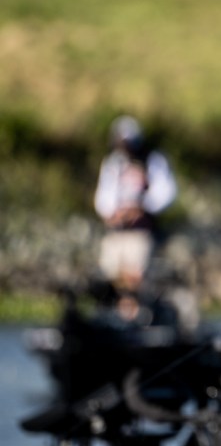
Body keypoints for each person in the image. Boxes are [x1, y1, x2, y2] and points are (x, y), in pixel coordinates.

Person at [93, 115, 177, 316]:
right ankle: (113, 315)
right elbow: (103, 196)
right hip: (116, 232)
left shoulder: (152, 160)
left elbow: (166, 192)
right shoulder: (113, 163)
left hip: (140, 231)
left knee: (135, 276)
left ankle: (136, 316)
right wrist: (113, 213)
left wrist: (141, 207)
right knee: (111, 274)